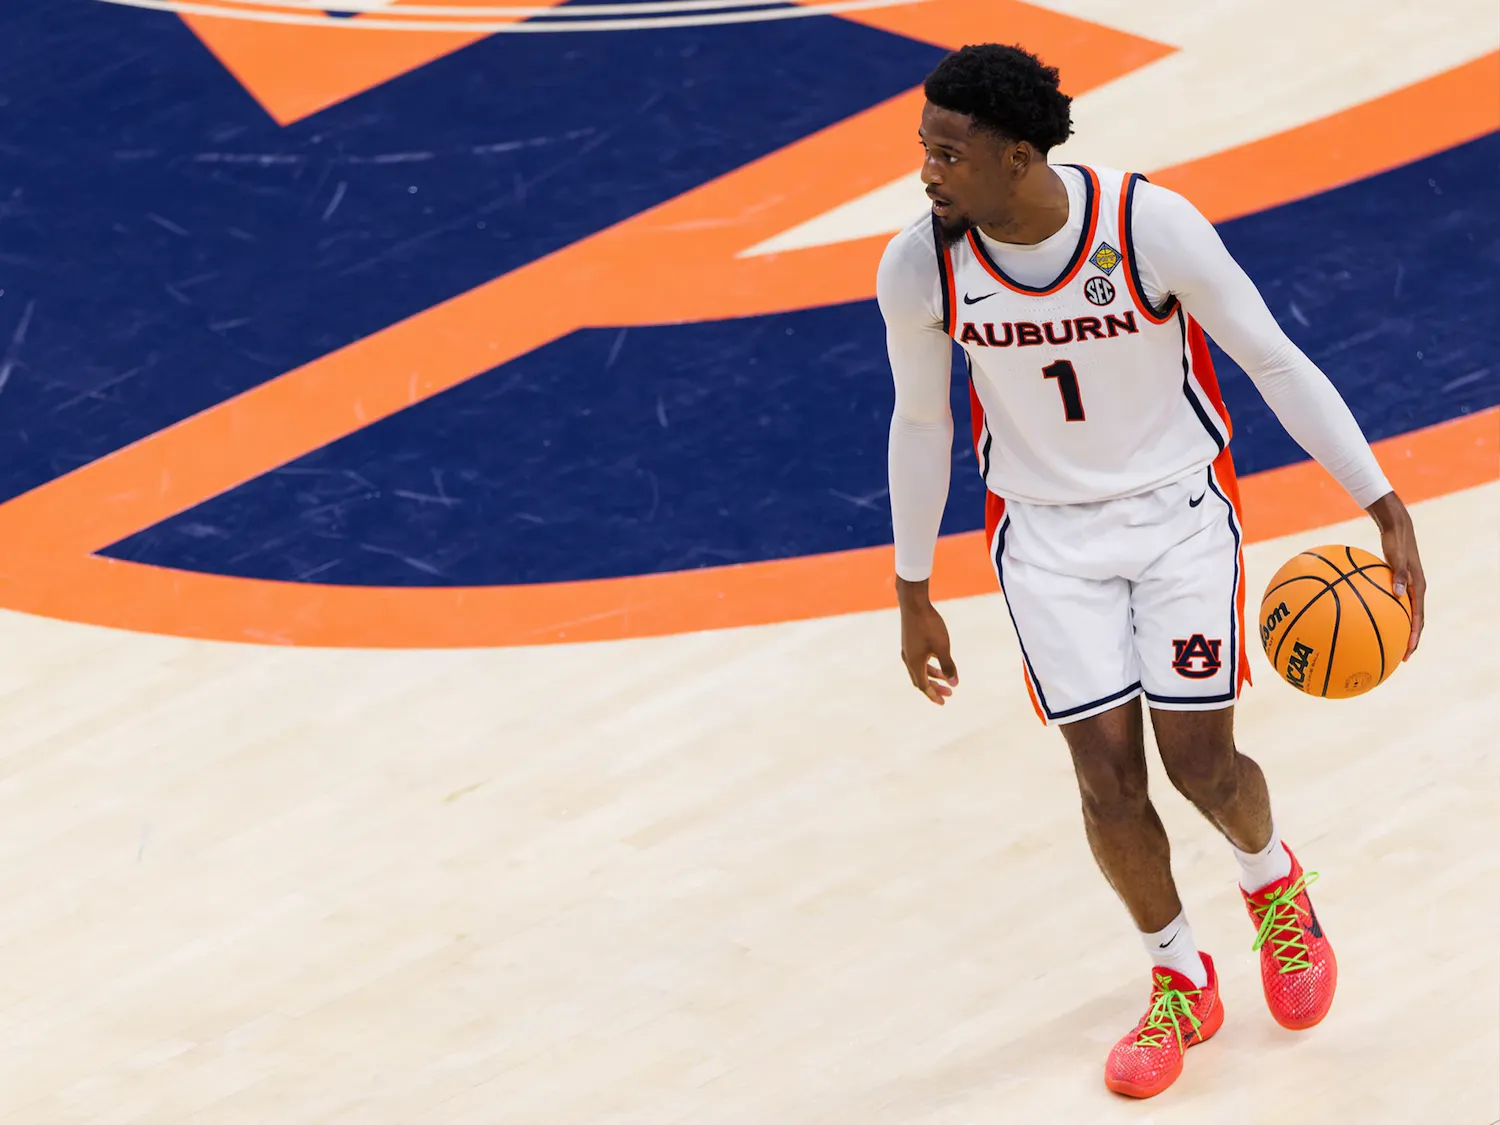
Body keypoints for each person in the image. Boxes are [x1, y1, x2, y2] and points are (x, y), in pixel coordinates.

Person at [878, 43, 1426, 1100]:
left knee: (1200, 764)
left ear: (1020, 158)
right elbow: (918, 417)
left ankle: (1275, 889)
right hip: (1043, 541)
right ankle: (1180, 976)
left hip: (1178, 516)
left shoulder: (1146, 227)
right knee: (1105, 779)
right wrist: (912, 590)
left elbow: (1271, 356)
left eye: (949, 153)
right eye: (924, 149)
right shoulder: (921, 264)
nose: (927, 172)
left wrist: (1379, 498)